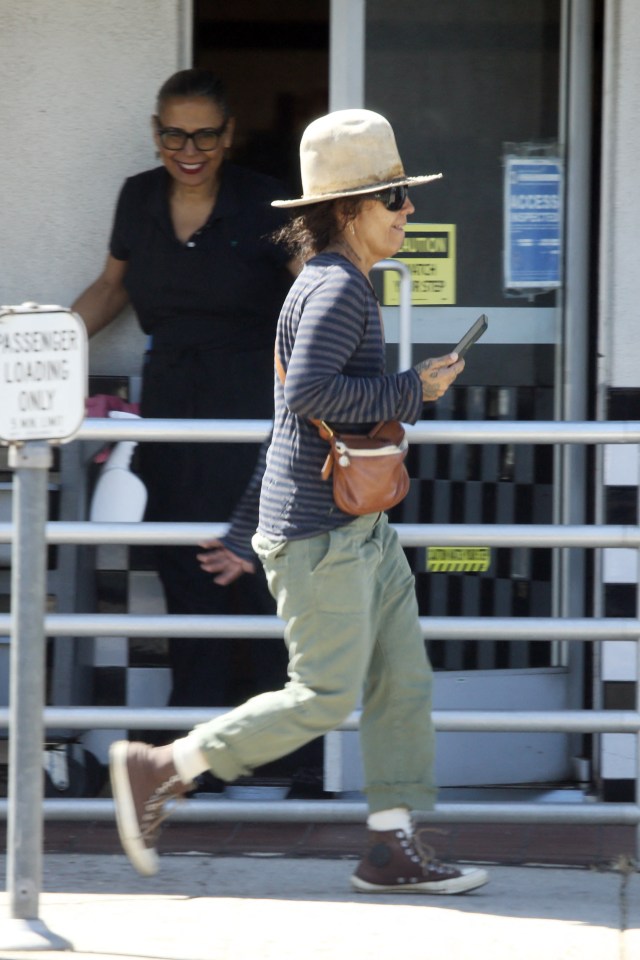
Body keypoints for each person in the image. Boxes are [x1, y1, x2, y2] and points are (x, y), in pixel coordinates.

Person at [109, 107, 489, 895]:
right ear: (349, 209)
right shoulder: (336, 288)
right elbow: (315, 393)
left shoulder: (332, 280)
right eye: (395, 197)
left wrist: (248, 528)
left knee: (401, 681)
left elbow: (291, 419)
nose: (409, 210)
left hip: (355, 526)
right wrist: (414, 388)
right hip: (327, 535)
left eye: (406, 195)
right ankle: (163, 767)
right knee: (323, 696)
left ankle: (391, 844)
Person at [72, 69, 300, 724]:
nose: (189, 149)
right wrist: (39, 352)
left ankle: (281, 750)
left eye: (205, 134)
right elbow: (111, 289)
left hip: (253, 401)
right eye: (175, 133)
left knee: (257, 565)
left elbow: (319, 283)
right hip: (169, 400)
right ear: (156, 133)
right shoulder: (138, 198)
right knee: (184, 564)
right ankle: (197, 741)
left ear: (229, 135)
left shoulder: (266, 202)